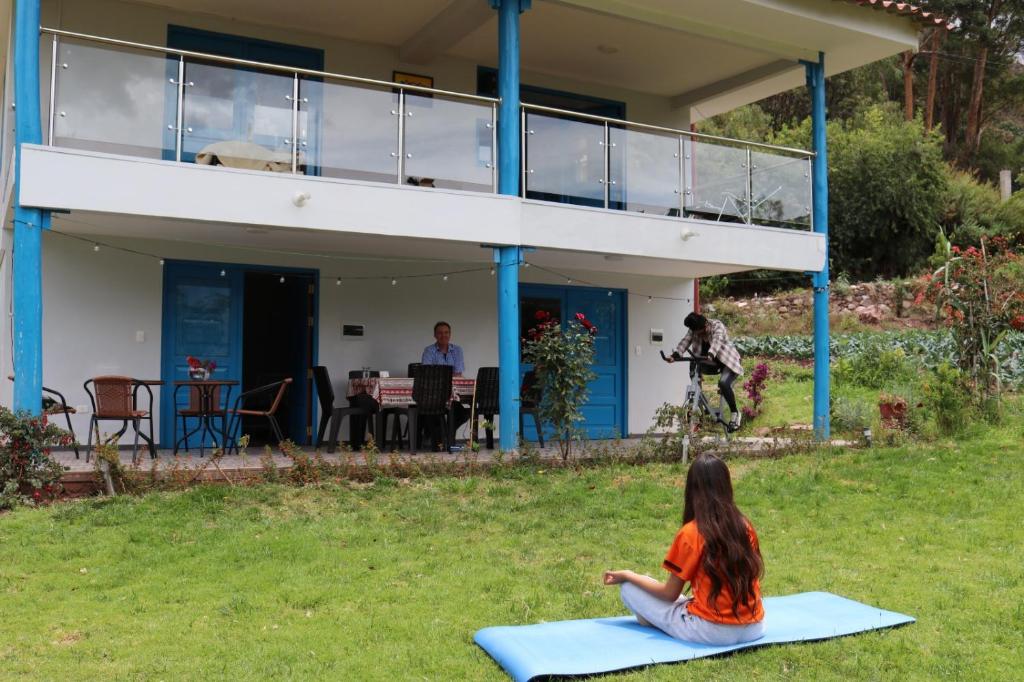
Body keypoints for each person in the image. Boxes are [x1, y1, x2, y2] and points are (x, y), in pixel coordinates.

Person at [602, 454, 765, 646]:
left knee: (630, 589)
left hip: (712, 631)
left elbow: (669, 594)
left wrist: (628, 575)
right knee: (651, 585)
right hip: (755, 627)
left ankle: (653, 618)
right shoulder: (745, 526)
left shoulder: (692, 533)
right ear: (726, 486)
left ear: (692, 490)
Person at [669, 311, 744, 431]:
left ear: (704, 326)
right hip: (709, 362)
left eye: (698, 332)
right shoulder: (693, 330)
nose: (697, 335)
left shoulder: (717, 325)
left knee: (724, 383)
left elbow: (717, 341)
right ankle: (700, 405)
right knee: (693, 368)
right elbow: (685, 341)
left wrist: (711, 353)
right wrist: (675, 355)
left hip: (727, 361)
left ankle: (735, 413)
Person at [420, 321, 469, 444]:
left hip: (452, 394)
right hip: (434, 395)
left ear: (450, 334)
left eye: (446, 332)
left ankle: (445, 435)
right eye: (440, 333)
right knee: (435, 412)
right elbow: (428, 373)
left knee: (463, 414)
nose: (444, 335)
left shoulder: (457, 350)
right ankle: (442, 437)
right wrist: (447, 375)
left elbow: (458, 373)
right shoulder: (429, 351)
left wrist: (440, 375)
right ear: (435, 335)